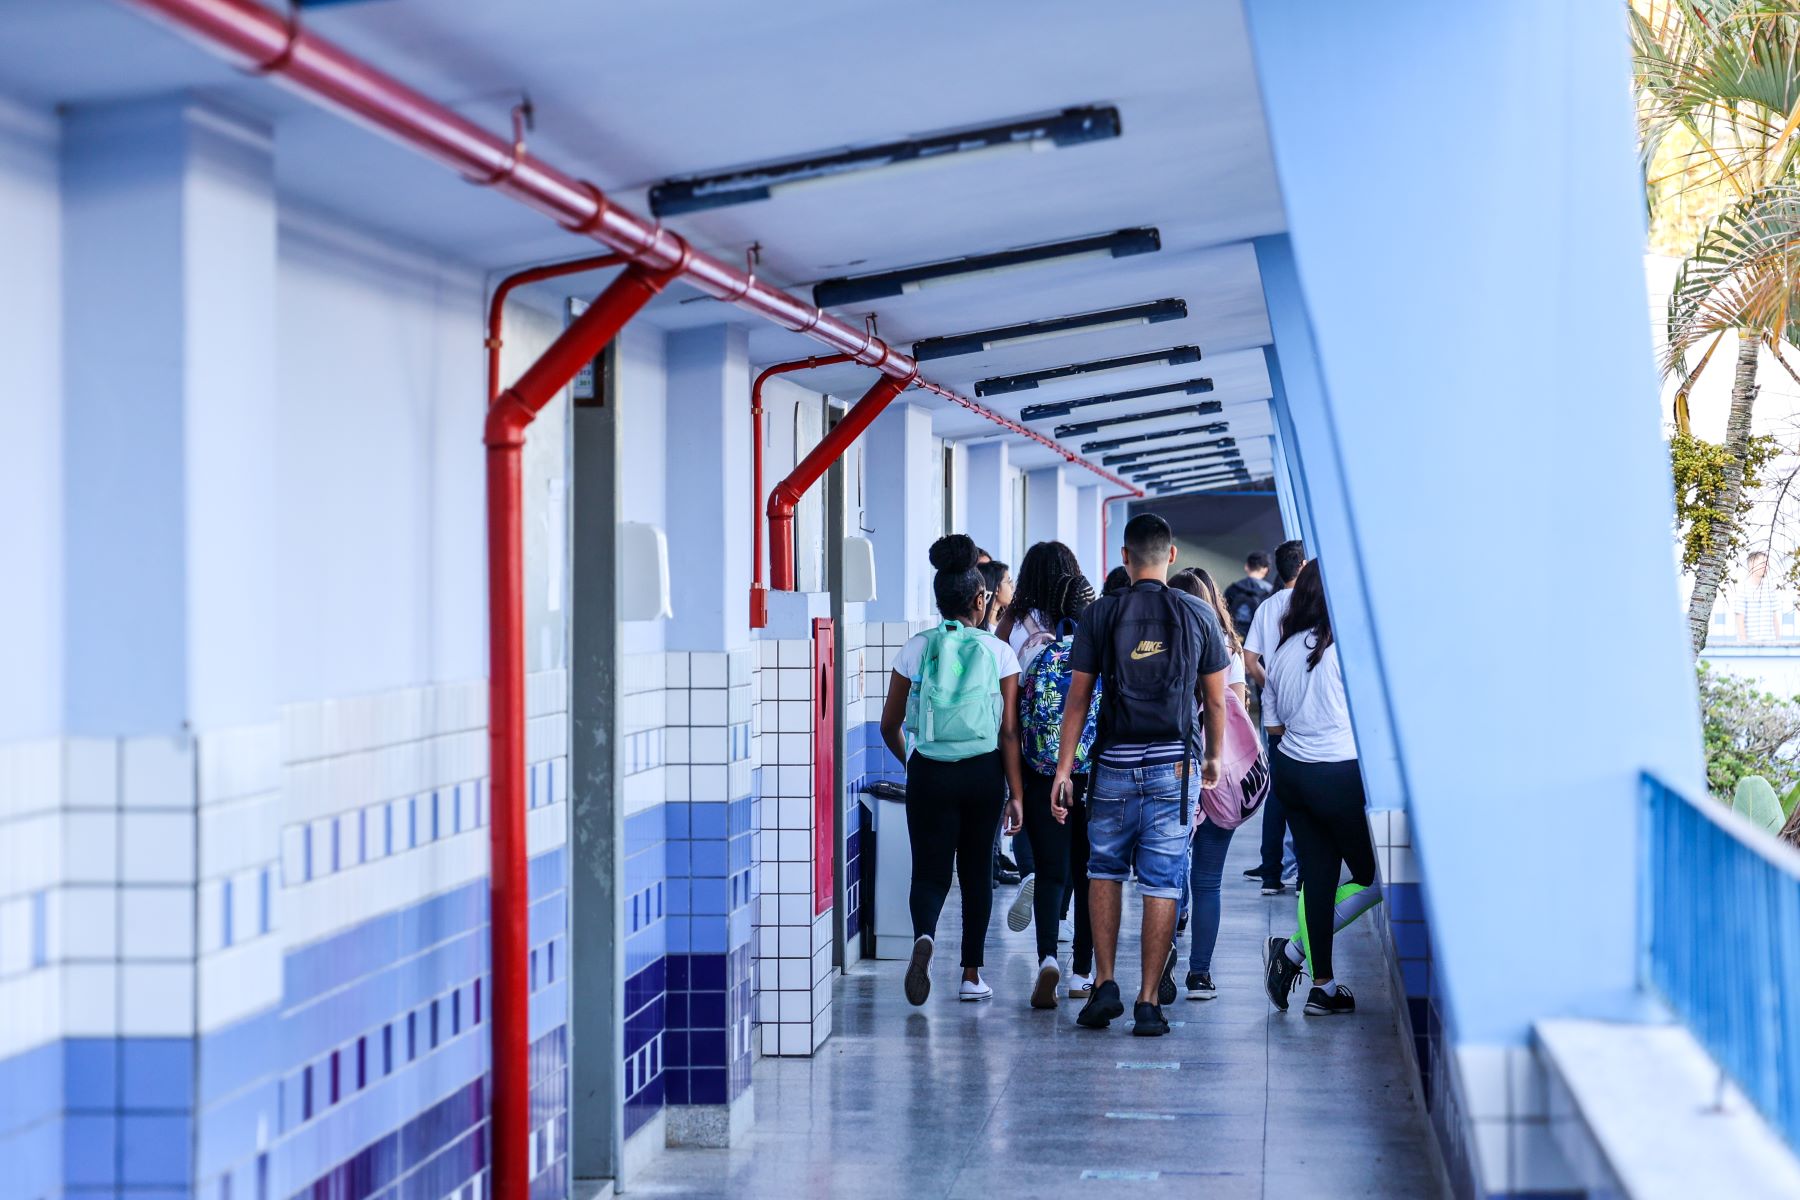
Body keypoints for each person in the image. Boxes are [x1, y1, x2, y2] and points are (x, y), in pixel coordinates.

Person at [1052, 514, 1230, 1037]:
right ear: (1171, 555)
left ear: (1125, 557)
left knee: (1103, 870)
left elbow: (1077, 700)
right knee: (1161, 880)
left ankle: (1104, 982)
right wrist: (1213, 758)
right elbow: (1217, 701)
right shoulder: (1198, 612)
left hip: (1112, 765)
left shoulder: (1101, 613)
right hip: (1174, 766)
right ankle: (1148, 1002)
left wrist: (1064, 770)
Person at [880, 534, 1027, 1005]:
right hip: (983, 774)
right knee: (977, 874)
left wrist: (916, 762)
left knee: (929, 872)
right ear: (980, 600)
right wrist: (1016, 793)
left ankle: (924, 938)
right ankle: (970, 975)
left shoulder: (916, 648)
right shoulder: (999, 652)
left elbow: (890, 724)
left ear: (939, 600)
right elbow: (1009, 732)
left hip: (930, 770)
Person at [1260, 561, 1382, 1016]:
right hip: (1339, 773)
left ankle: (1323, 989)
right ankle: (1293, 951)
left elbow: (1273, 726)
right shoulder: (1346, 650)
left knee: (1318, 880)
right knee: (1374, 877)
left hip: (1292, 771)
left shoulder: (1284, 649)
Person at [1004, 547, 1102, 1007]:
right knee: (1088, 872)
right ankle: (1083, 971)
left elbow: (1007, 707)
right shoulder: (1097, 630)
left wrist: (1014, 786)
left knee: (1049, 871)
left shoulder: (1015, 628)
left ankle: (1048, 957)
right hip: (1093, 770)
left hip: (1039, 765)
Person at [995, 541, 1085, 937]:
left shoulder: (1013, 623)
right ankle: (1067, 926)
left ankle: (1033, 874)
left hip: (1027, 747)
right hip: (1081, 754)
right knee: (1075, 847)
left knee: (1027, 815)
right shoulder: (1084, 622)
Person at [1168, 568, 1246, 1001]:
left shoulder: (1161, 646)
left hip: (1172, 768)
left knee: (1166, 874)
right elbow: (1233, 708)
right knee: (1208, 880)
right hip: (1216, 772)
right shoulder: (1227, 647)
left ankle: (1163, 961)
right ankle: (1200, 975)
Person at [1242, 539, 1306, 895]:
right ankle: (1304, 875)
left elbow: (1251, 661)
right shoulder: (1314, 605)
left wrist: (1274, 687)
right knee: (1305, 792)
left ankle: (1270, 874)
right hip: (1309, 714)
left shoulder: (1268, 606)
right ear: (1305, 565)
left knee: (1278, 792)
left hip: (1274, 717)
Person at [1223, 551, 1274, 642]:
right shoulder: (1271, 593)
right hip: (1260, 642)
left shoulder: (1232, 589)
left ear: (1246, 567)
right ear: (1265, 569)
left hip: (1235, 640)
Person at [977, 559, 1012, 633]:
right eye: (1009, 582)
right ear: (996, 589)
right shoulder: (983, 631)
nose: (1012, 586)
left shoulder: (1005, 624)